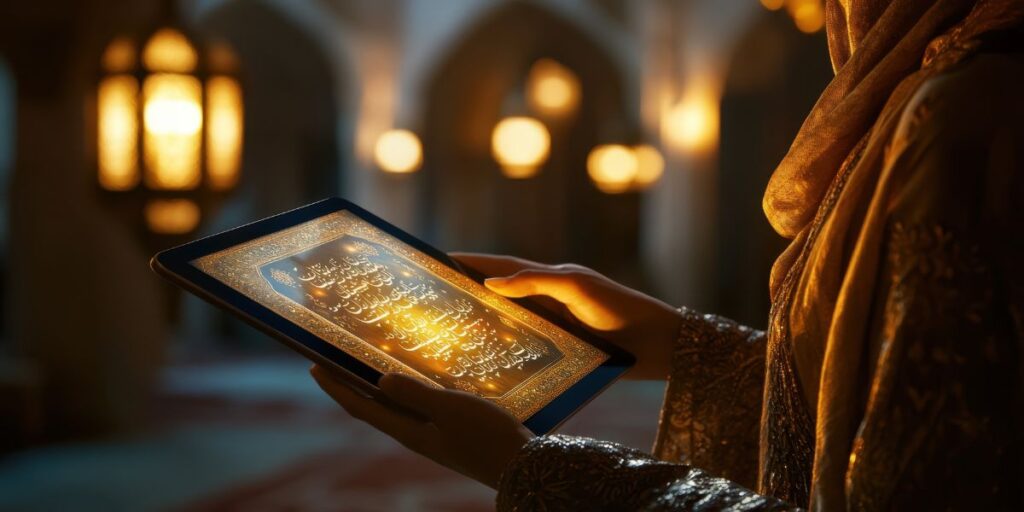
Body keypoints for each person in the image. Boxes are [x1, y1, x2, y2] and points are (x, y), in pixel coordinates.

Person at [311, 0, 1024, 509]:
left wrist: (529, 469)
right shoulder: (938, 92)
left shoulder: (964, 114)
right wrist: (677, 344)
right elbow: (861, 416)